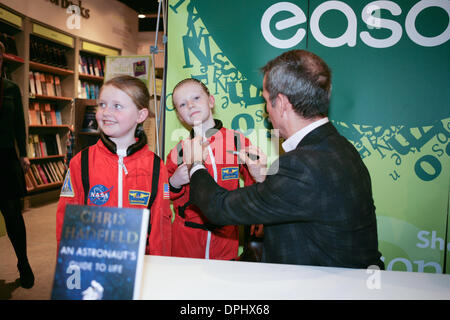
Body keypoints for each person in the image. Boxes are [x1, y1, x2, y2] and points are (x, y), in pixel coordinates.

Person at [184, 50, 385, 269]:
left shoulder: (302, 165)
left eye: (265, 101)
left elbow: (219, 208)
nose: (266, 112)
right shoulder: (340, 147)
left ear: (281, 103)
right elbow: (299, 204)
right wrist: (264, 180)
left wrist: (195, 164)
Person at [56, 75, 172, 256]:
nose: (106, 112)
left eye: (117, 106)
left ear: (140, 115)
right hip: (93, 262)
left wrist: (160, 268)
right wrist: (68, 263)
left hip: (140, 263)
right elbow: (66, 218)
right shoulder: (81, 162)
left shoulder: (156, 167)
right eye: (102, 104)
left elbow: (161, 226)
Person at [166, 78, 265, 260]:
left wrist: (258, 216)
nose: (190, 105)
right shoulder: (179, 150)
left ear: (211, 101)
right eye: (182, 104)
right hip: (186, 239)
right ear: (179, 116)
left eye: (196, 97)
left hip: (225, 237)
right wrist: (174, 182)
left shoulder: (237, 141)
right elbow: (164, 195)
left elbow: (254, 182)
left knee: (222, 286)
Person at [0, 41, 34, 288]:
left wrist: (23, 153)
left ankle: (23, 263)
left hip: (5, 160)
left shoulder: (11, 88)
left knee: (13, 215)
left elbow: (19, 125)